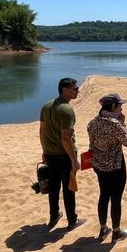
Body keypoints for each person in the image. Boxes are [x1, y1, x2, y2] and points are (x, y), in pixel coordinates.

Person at [39, 77, 85, 231]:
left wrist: (44, 151)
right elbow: (66, 137)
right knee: (68, 188)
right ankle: (72, 220)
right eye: (75, 89)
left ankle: (54, 216)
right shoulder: (66, 110)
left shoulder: (47, 105)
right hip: (64, 156)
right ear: (64, 90)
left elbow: (42, 131)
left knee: (53, 188)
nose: (78, 91)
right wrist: (73, 159)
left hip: (50, 155)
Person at [87, 93, 127, 242]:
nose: (121, 109)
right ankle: (116, 232)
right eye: (120, 106)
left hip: (99, 166)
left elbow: (92, 144)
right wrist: (123, 123)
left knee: (104, 196)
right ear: (113, 106)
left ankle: (103, 229)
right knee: (116, 199)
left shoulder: (93, 123)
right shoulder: (115, 124)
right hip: (116, 166)